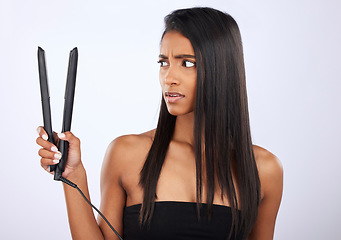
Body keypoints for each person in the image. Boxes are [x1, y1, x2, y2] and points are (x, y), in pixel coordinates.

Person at [36, 7, 283, 240]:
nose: (169, 77)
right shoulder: (126, 153)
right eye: (163, 62)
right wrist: (73, 175)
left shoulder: (264, 169)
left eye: (187, 63)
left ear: (222, 69)